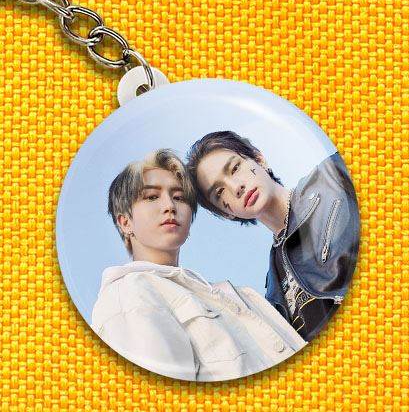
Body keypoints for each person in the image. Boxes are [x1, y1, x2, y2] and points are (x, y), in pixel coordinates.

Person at [90, 148, 305, 381]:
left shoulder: (236, 295)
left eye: (179, 197)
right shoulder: (128, 294)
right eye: (151, 196)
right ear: (125, 222)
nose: (169, 206)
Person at [186, 132, 359, 343]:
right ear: (226, 212)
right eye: (219, 192)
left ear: (259, 159)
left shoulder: (333, 176)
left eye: (235, 168)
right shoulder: (273, 291)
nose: (236, 187)